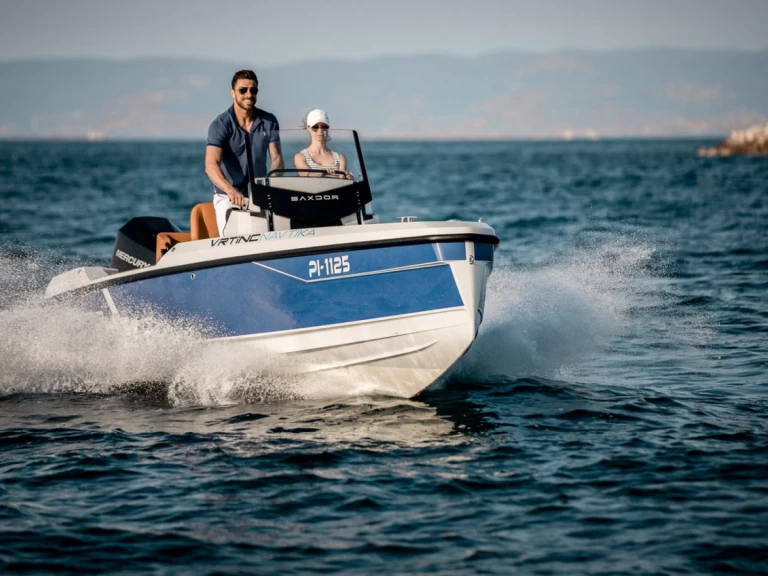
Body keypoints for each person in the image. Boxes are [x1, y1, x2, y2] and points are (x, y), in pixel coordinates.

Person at [205, 70, 284, 235]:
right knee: (233, 242)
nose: (249, 94)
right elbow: (211, 165)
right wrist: (230, 190)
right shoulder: (220, 125)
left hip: (260, 194)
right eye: (243, 90)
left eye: (253, 90)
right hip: (229, 196)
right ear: (232, 93)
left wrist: (270, 185)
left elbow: (276, 158)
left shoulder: (269, 121)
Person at [294, 109, 351, 178]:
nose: (320, 130)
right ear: (308, 128)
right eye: (315, 127)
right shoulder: (300, 157)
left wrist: (347, 177)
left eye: (324, 127)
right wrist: (321, 173)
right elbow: (306, 176)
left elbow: (342, 180)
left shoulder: (340, 158)